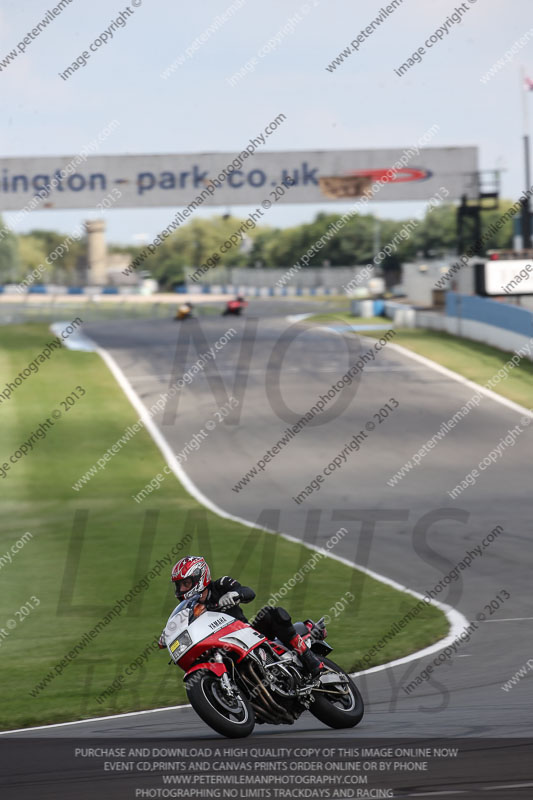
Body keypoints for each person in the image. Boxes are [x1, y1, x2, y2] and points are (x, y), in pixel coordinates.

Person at [159, 555, 322, 677]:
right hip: (218, 645)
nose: (181, 589)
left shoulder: (221, 585)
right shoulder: (188, 608)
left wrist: (236, 594)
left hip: (245, 633)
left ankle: (308, 658)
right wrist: (167, 634)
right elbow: (179, 624)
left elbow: (249, 592)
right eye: (179, 585)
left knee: (271, 613)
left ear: (199, 578)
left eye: (185, 583)